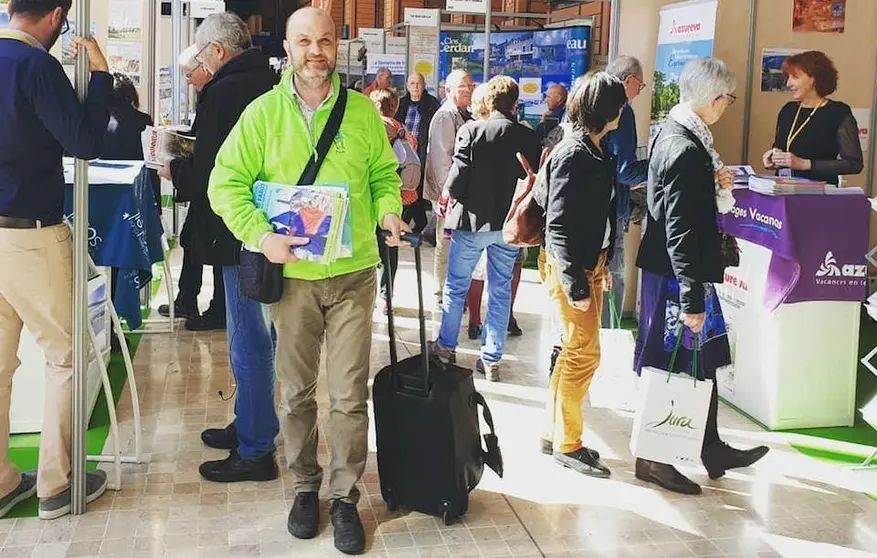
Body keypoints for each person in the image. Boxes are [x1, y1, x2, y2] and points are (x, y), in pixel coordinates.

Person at [208, 7, 406, 554]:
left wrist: (389, 210)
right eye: (304, 41)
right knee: (296, 392)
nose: (315, 51)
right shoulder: (262, 114)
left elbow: (384, 175)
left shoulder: (363, 114)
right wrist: (261, 236)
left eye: (324, 41)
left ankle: (344, 497)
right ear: (288, 47)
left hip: (353, 276)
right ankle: (304, 485)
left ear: (335, 45)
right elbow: (225, 185)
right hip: (290, 280)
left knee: (347, 395)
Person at [635, 58, 769, 495]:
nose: (726, 107)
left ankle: (710, 447)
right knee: (672, 363)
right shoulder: (686, 149)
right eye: (727, 100)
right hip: (678, 275)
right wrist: (692, 299)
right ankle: (654, 458)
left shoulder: (679, 137)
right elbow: (679, 228)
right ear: (714, 99)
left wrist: (714, 183)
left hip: (680, 272)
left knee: (701, 360)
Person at [0, 0, 112, 518]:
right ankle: (57, 482)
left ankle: (3, 480)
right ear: (57, 16)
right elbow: (83, 141)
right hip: (31, 233)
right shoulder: (36, 66)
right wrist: (102, 77)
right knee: (66, 356)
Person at [159, 12, 281, 483]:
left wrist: (175, 172)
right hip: (263, 227)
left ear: (216, 51)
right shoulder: (267, 84)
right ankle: (252, 423)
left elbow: (213, 170)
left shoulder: (226, 92)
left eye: (201, 53)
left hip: (237, 231)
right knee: (256, 337)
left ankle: (255, 448)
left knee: (248, 340)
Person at [536, 72, 626, 478]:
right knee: (584, 355)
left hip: (587, 265)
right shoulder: (575, 153)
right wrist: (576, 285)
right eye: (620, 104)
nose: (624, 110)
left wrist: (602, 263)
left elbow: (594, 218)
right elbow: (558, 226)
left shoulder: (594, 150)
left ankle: (552, 431)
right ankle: (568, 443)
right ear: (606, 111)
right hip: (569, 269)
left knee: (572, 352)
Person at [428, 76, 540, 383]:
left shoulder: (471, 131)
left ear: (488, 102)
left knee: (456, 286)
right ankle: (491, 359)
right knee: (501, 290)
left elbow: (457, 176)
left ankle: (446, 347)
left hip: (471, 224)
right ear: (515, 103)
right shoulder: (529, 137)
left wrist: (448, 195)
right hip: (509, 227)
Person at [158, 43, 220, 322]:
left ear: (205, 67)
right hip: (201, 183)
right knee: (191, 241)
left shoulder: (218, 94)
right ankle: (186, 299)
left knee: (202, 244)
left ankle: (205, 304)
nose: (187, 80)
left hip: (210, 185)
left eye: (188, 73)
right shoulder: (209, 95)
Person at [463, 83, 525, 340]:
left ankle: (476, 322)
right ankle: (495, 342)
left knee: (474, 272)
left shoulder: (471, 132)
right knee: (504, 277)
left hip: (479, 217)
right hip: (511, 218)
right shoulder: (525, 134)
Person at [763, 50, 863, 185]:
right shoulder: (788, 110)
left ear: (814, 79)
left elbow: (853, 163)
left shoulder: (838, 112)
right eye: (788, 78)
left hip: (818, 194)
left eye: (795, 77)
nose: (788, 84)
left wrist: (805, 164)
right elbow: (780, 146)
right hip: (783, 190)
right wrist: (773, 158)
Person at [603, 55, 649, 329]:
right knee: (613, 278)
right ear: (629, 80)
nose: (639, 93)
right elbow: (625, 170)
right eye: (640, 86)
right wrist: (657, 166)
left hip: (581, 208)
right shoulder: (622, 109)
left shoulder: (585, 99)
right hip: (610, 208)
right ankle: (606, 341)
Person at [424, 69, 473, 307]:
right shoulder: (445, 116)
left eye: (470, 85)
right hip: (448, 194)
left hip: (459, 192)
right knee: (445, 242)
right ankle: (440, 291)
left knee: (456, 243)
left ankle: (453, 291)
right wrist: (448, 194)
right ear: (448, 90)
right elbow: (442, 160)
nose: (468, 90)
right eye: (463, 85)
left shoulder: (464, 114)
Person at [371, 87, 420, 313]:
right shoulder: (404, 131)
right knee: (391, 249)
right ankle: (386, 296)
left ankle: (371, 293)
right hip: (405, 197)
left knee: (374, 248)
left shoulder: (375, 127)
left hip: (379, 199)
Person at [396, 72, 440, 234]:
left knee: (417, 188)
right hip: (403, 153)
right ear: (407, 86)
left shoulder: (432, 104)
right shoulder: (401, 104)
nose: (415, 87)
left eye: (418, 83)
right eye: (412, 84)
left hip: (422, 152)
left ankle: (413, 222)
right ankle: (415, 222)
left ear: (424, 86)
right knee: (408, 188)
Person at [102, 73, 153, 161]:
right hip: (136, 172)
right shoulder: (144, 120)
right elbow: (150, 155)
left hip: (100, 172)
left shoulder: (99, 118)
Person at [536, 83, 567, 148]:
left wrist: (542, 121)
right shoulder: (566, 111)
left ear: (558, 98)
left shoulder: (553, 116)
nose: (546, 100)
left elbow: (539, 137)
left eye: (548, 97)